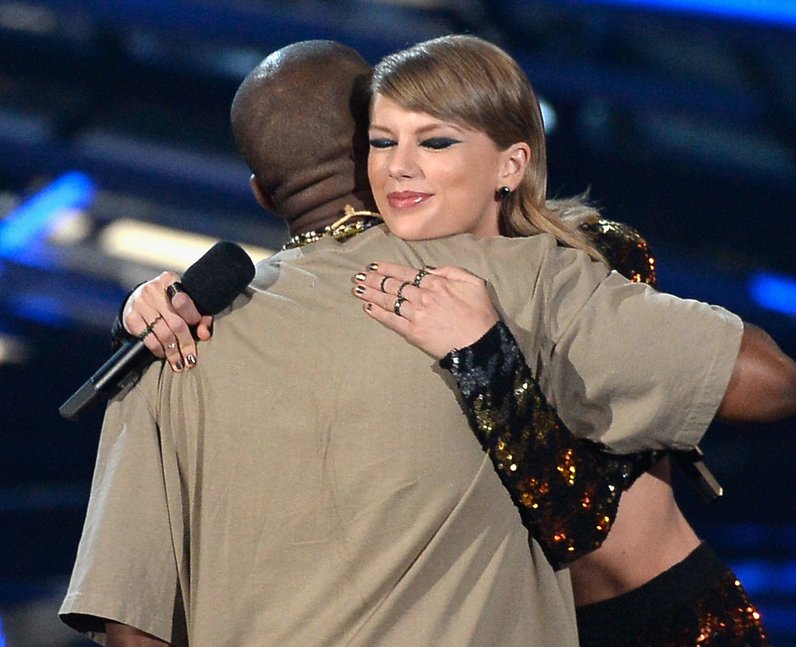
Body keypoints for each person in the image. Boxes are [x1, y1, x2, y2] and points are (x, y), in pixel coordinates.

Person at [60, 37, 796, 646]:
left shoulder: (170, 353)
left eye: (432, 139)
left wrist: (489, 354)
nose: (405, 163)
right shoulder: (519, 271)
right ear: (369, 154)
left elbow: (132, 627)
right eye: (389, 141)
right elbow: (765, 380)